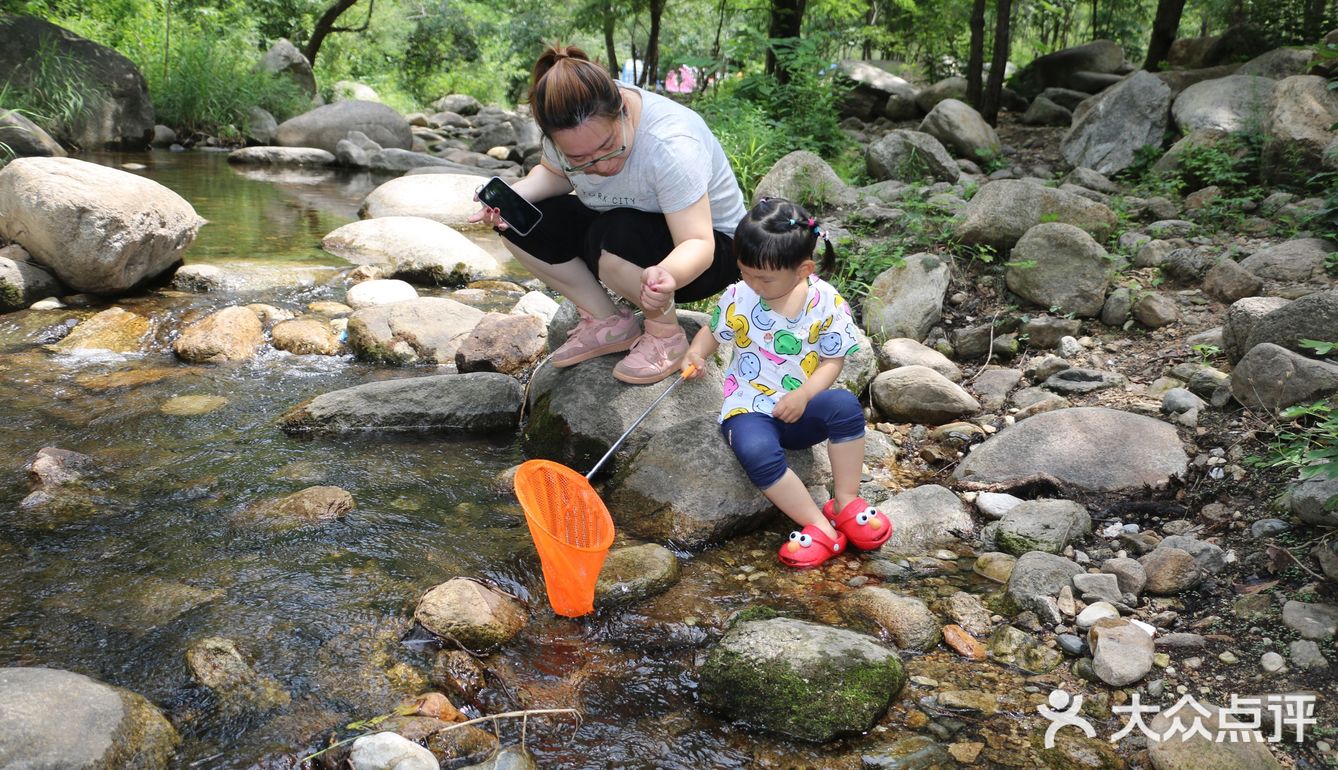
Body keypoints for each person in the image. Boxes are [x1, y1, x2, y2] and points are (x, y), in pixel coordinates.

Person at [469, 44, 746, 385]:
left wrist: (668, 275)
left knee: (614, 234)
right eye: (580, 158)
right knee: (520, 222)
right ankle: (608, 323)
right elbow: (554, 175)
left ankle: (665, 337)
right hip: (625, 240)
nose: (600, 165)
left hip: (706, 257)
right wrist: (510, 198)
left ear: (623, 110)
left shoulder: (672, 145)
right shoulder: (570, 127)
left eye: (607, 147)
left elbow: (698, 242)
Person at [681, 198, 894, 568]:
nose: (752, 283)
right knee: (756, 451)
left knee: (844, 407)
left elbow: (833, 360)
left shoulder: (825, 301)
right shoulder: (738, 297)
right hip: (749, 407)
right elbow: (712, 333)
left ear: (802, 270)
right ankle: (818, 526)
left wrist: (804, 394)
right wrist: (696, 353)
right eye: (745, 272)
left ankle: (845, 502)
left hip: (802, 406)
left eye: (763, 278)